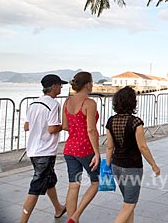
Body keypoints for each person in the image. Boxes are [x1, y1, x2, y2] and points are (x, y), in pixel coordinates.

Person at [106, 86, 161, 223]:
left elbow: (109, 147)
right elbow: (142, 147)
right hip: (132, 167)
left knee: (128, 203)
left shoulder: (111, 121)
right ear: (132, 103)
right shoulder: (136, 122)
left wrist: (107, 166)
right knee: (130, 204)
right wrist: (154, 165)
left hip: (116, 166)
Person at [20, 74, 68, 223]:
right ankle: (22, 221)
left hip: (33, 150)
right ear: (53, 86)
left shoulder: (33, 104)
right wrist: (65, 126)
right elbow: (52, 128)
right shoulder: (53, 104)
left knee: (49, 180)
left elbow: (27, 126)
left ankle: (58, 209)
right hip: (45, 151)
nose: (61, 87)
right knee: (36, 186)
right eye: (60, 85)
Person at [62, 72, 100, 223]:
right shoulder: (89, 103)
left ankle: (72, 220)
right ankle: (75, 217)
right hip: (85, 149)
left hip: (69, 148)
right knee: (95, 183)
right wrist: (97, 152)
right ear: (88, 84)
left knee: (74, 185)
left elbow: (65, 126)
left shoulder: (67, 102)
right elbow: (91, 130)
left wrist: (76, 129)